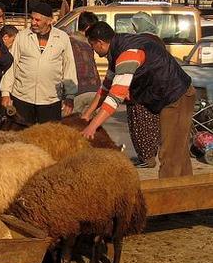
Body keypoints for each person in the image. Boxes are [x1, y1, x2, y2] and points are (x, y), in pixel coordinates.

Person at [81, 21, 195, 178]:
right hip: (169, 95)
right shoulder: (117, 48)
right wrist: (87, 114)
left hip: (175, 97)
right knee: (178, 152)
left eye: (92, 45)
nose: (92, 50)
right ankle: (187, 195)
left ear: (100, 43)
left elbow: (115, 97)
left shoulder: (127, 53)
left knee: (170, 154)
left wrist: (92, 126)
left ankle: (167, 198)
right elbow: (106, 88)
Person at [0, 1, 78, 124]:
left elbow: (69, 66)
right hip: (23, 97)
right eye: (32, 19)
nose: (33, 22)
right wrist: (5, 92)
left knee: (47, 138)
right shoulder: (22, 36)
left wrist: (70, 96)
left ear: (49, 21)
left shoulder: (62, 38)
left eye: (37, 20)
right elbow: (11, 65)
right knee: (21, 137)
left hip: (50, 99)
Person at [126, 12, 163, 168]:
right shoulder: (159, 41)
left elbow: (135, 66)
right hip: (157, 90)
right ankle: (150, 155)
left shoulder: (139, 41)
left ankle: (146, 158)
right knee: (153, 124)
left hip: (141, 90)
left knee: (140, 124)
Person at [69, 11, 101, 114]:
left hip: (77, 92)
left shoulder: (69, 41)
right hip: (87, 92)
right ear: (88, 27)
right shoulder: (88, 44)